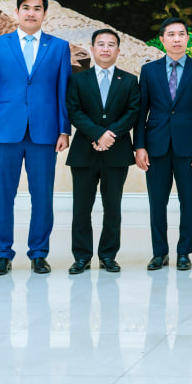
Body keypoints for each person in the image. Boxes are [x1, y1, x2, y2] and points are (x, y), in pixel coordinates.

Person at [0, 0, 71, 276]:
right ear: (17, 12)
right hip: (4, 131)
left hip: (45, 132)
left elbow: (63, 92)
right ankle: (2, 253)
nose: (31, 13)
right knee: (2, 196)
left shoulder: (59, 47)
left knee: (42, 196)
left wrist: (64, 129)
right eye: (26, 8)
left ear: (45, 14)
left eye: (37, 9)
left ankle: (39, 253)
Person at [134, 17, 192, 271]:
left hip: (189, 147)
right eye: (171, 34)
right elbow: (141, 112)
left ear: (188, 38)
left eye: (181, 34)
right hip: (155, 146)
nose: (176, 39)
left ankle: (184, 252)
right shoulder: (149, 71)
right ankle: (159, 253)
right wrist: (139, 146)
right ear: (162, 39)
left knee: (188, 202)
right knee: (157, 202)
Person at [64, 29, 139, 274]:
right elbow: (74, 111)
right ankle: (81, 257)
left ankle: (108, 255)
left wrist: (109, 135)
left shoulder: (129, 80)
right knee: (81, 208)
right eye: (101, 44)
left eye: (111, 45)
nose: (106, 49)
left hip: (117, 154)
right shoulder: (77, 79)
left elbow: (132, 112)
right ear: (93, 49)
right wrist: (98, 134)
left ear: (118, 50)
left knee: (113, 207)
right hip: (84, 153)